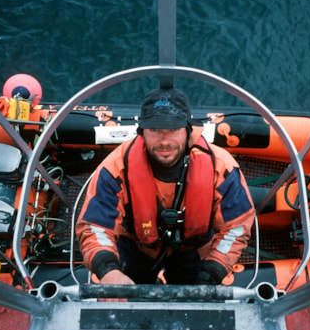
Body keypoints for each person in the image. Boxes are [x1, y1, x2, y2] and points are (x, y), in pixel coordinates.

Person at [75, 87, 255, 286]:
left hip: (194, 252)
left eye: (174, 129)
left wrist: (214, 269)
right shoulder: (115, 168)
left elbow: (236, 226)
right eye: (155, 130)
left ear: (188, 129)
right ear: (142, 131)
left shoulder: (221, 167)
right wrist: (108, 271)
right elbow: (95, 227)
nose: (165, 141)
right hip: (137, 247)